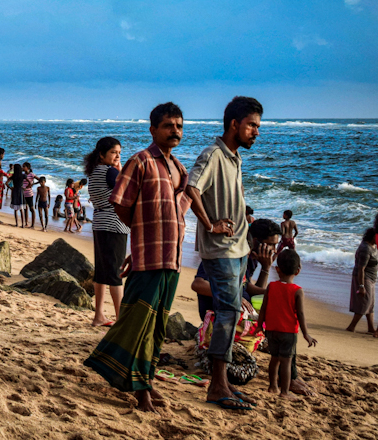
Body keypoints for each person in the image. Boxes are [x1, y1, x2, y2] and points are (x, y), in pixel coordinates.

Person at [85, 102, 190, 414]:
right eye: (169, 125)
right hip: (150, 255)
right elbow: (120, 203)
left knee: (157, 326)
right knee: (139, 323)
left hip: (173, 256)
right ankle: (140, 391)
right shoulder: (140, 161)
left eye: (179, 126)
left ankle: (147, 380)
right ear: (153, 130)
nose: (175, 131)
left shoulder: (178, 167)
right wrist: (141, 234)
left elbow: (178, 205)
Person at [185, 96, 262, 412]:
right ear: (235, 124)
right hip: (221, 251)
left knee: (231, 314)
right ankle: (217, 386)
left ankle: (224, 383)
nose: (256, 132)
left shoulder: (233, 157)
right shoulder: (213, 154)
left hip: (239, 248)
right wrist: (211, 225)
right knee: (228, 313)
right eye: (252, 125)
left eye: (258, 126)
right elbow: (191, 189)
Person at [256, 249, 318, 398]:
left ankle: (272, 386)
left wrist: (259, 325)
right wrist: (306, 334)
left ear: (277, 269)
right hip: (288, 332)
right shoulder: (297, 291)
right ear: (298, 271)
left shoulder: (271, 286)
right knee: (286, 362)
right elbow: (301, 314)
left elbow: (263, 307)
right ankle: (284, 391)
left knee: (274, 359)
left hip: (271, 329)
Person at [85, 136, 126, 328]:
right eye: (113, 152)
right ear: (102, 154)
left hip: (100, 223)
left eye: (119, 152)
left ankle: (99, 315)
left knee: (102, 272)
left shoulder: (95, 171)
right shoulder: (110, 172)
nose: (117, 155)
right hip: (114, 225)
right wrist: (120, 170)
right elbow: (128, 190)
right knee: (115, 274)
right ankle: (121, 319)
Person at [347, 227, 377, 334]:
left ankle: (370, 328)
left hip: (372, 278)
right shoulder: (365, 248)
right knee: (365, 303)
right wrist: (361, 285)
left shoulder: (373, 246)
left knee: (371, 304)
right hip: (364, 278)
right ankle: (351, 326)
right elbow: (361, 268)